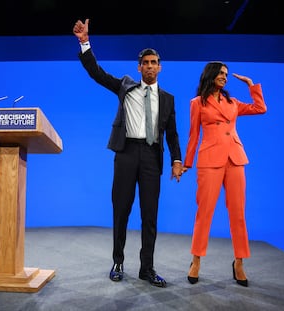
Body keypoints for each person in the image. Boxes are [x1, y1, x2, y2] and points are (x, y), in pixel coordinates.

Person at [73, 18, 183, 288]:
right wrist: (84, 43)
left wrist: (177, 160)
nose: (149, 67)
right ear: (139, 68)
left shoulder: (167, 98)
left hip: (151, 157)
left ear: (160, 68)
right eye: (144, 63)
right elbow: (97, 73)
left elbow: (172, 133)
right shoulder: (125, 87)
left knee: (150, 215)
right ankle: (118, 262)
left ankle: (147, 268)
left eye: (153, 63)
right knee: (121, 210)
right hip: (126, 154)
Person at [182, 61, 267, 287]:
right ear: (210, 75)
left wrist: (252, 85)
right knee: (205, 213)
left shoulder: (232, 102)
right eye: (220, 73)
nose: (224, 77)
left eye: (226, 74)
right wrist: (187, 163)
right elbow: (193, 135)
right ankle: (196, 261)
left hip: (236, 159)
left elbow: (260, 108)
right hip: (210, 160)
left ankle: (239, 262)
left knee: (238, 214)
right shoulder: (197, 103)